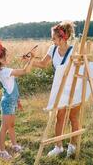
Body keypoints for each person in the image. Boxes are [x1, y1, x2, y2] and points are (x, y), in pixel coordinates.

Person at [29, 21, 79, 157]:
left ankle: (73, 145)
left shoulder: (74, 50)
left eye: (54, 38)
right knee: (60, 116)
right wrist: (30, 61)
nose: (52, 40)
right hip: (60, 87)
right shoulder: (52, 49)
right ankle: (58, 147)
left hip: (73, 87)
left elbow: (79, 68)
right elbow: (43, 64)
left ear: (63, 38)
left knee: (73, 116)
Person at [0, 40, 35, 159]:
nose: (8, 57)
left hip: (12, 102)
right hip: (7, 103)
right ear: (1, 59)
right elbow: (25, 71)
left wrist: (17, 100)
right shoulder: (6, 71)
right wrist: (31, 59)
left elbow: (13, 86)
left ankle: (14, 145)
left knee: (11, 125)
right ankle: (2, 151)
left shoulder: (6, 70)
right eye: (6, 55)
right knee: (4, 127)